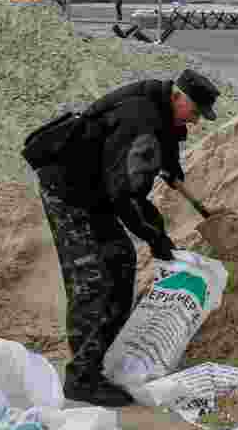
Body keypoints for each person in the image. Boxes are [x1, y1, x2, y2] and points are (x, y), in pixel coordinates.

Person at [33, 69, 220, 407]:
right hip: (69, 192)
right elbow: (125, 196)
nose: (195, 123)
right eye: (194, 114)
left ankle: (103, 353)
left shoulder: (159, 107)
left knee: (120, 259)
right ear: (178, 97)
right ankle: (82, 379)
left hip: (96, 187)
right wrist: (155, 237)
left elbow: (164, 136)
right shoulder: (141, 122)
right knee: (93, 278)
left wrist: (171, 163)